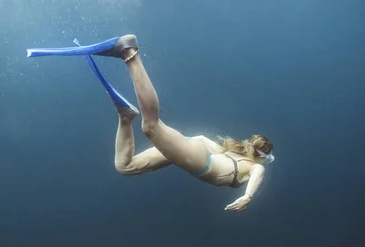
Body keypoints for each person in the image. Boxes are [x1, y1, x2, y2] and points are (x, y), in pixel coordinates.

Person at [26, 35, 275, 212]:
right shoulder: (253, 168)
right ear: (263, 157)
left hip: (197, 153)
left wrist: (187, 147)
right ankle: (130, 53)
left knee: (125, 166)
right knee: (151, 126)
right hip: (200, 161)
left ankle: (125, 117)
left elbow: (201, 140)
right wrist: (248, 197)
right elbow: (258, 176)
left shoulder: (233, 154)